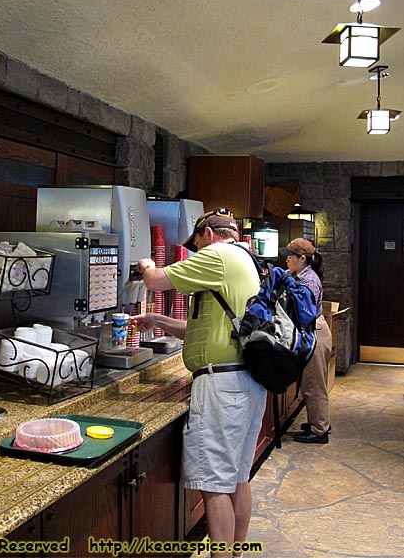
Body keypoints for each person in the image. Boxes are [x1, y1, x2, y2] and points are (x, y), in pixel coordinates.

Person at [132, 208, 266, 558]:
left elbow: (155, 280)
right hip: (247, 381)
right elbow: (204, 329)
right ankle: (235, 552)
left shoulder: (217, 255)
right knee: (237, 478)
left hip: (222, 387)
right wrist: (158, 319)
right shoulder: (248, 261)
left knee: (213, 484)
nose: (196, 252)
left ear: (207, 234)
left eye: (196, 244)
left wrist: (144, 262)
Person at [279, 238, 334, 444]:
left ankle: (319, 430)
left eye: (290, 256)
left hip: (315, 333)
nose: (286, 260)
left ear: (302, 258)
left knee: (314, 384)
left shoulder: (308, 281)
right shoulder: (299, 274)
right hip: (314, 331)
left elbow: (304, 312)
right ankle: (318, 421)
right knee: (312, 382)